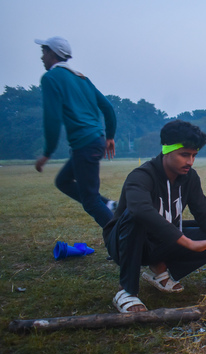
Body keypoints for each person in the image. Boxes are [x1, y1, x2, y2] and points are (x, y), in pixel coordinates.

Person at [104, 120, 206, 313]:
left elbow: (204, 213)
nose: (190, 161)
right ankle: (127, 291)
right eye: (184, 155)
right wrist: (188, 242)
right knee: (136, 217)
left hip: (161, 242)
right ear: (166, 150)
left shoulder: (190, 178)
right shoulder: (141, 176)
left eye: (193, 155)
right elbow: (140, 210)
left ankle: (160, 269)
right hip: (126, 242)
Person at [34, 36, 117, 228]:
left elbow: (52, 118)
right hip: (95, 140)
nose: (42, 57)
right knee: (63, 181)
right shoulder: (81, 78)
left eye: (44, 52)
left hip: (85, 144)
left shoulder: (51, 78)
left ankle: (123, 241)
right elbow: (108, 108)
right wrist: (110, 136)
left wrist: (47, 153)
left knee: (90, 201)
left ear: (52, 54)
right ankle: (110, 204)